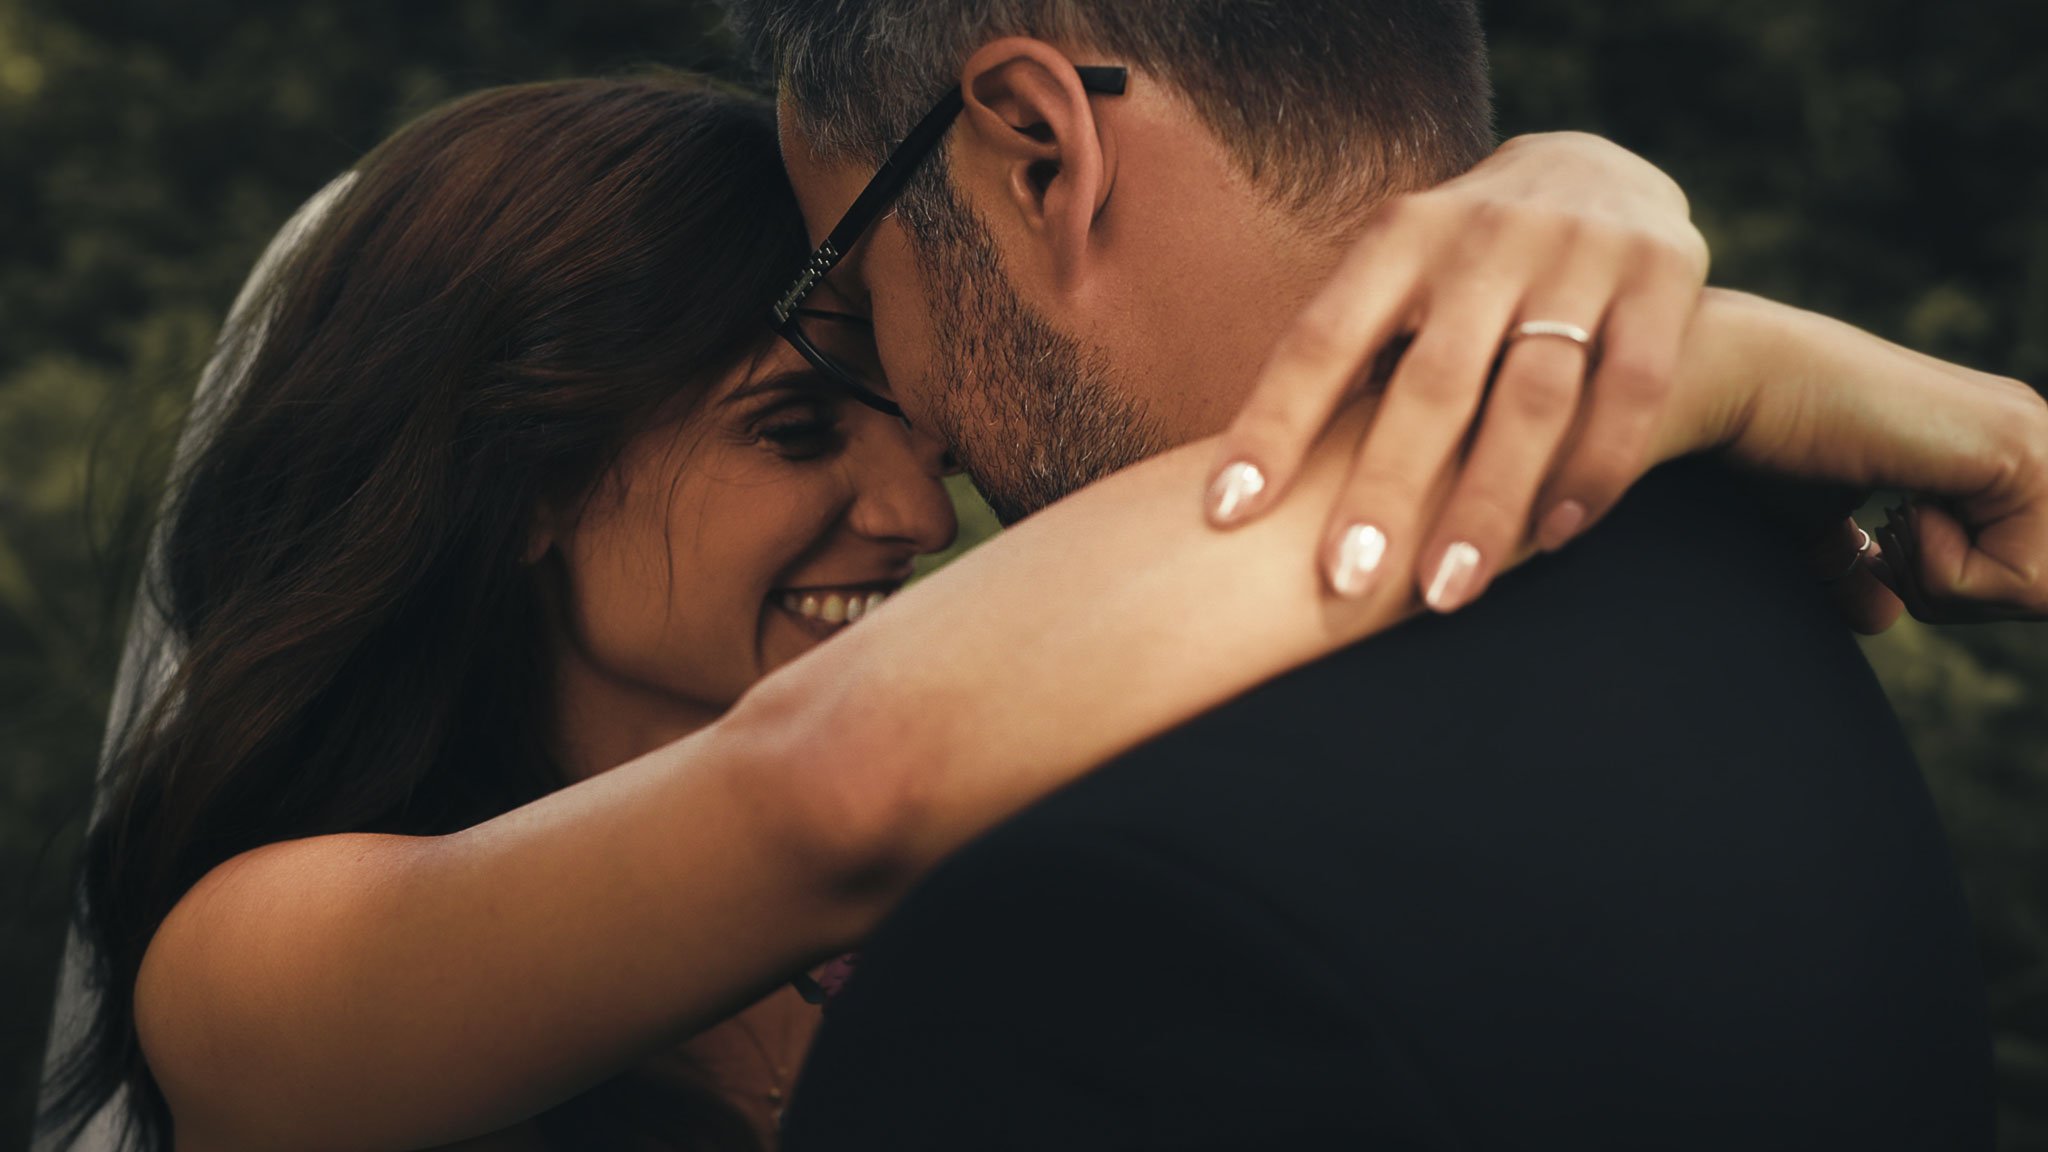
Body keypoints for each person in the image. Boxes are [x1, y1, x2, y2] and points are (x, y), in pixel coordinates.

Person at [38, 57, 2044, 1152]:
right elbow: (834, 779)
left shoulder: (1025, 822)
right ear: (516, 479)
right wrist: (1709, 364)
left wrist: (1592, 214)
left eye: (900, 418)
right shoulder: (251, 970)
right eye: (792, 423)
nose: (921, 506)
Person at [721, 1, 2048, 1147]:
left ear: (1039, 155)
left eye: (857, 302)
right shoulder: (1741, 574)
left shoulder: (1081, 934)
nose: (916, 441)